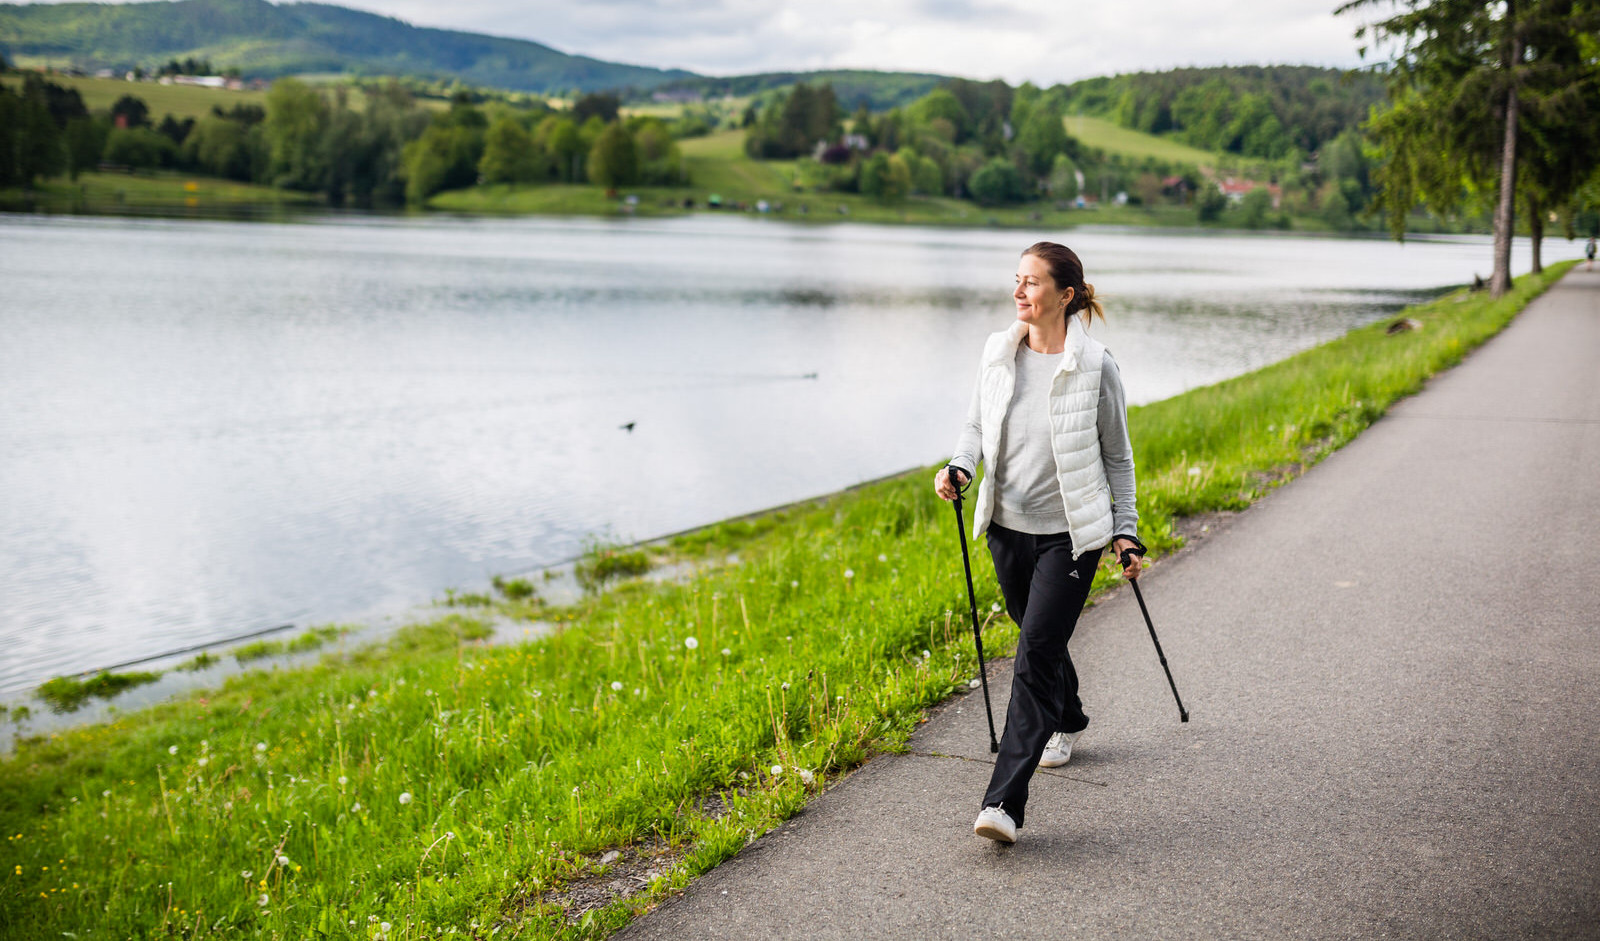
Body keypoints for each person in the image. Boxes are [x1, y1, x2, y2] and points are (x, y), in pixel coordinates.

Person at [934, 241, 1144, 845]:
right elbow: (976, 425)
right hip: (1006, 526)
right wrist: (960, 468)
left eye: (1031, 282)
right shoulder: (998, 352)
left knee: (1032, 658)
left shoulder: (1096, 366)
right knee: (1036, 636)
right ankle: (1069, 715)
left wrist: (1125, 530)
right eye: (1016, 280)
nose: (1019, 291)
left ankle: (1003, 802)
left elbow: (1118, 457)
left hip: (1070, 537)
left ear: (1065, 295)